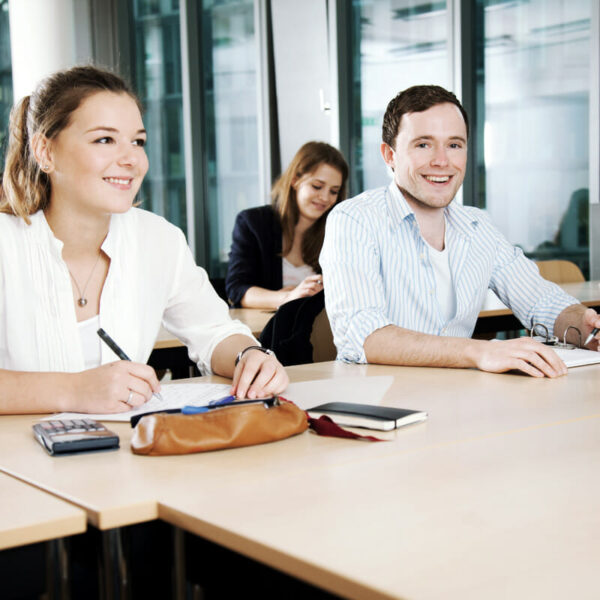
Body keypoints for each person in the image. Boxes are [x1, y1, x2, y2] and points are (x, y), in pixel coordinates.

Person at [0, 65, 288, 414]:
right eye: (104, 139)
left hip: (121, 456)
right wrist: (74, 390)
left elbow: (213, 331)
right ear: (45, 151)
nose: (132, 159)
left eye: (137, 141)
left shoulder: (158, 239)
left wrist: (250, 356)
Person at [320, 85, 600, 378]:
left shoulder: (477, 226)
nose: (442, 161)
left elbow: (540, 300)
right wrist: (479, 351)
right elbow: (363, 336)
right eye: (423, 144)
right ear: (389, 155)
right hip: (381, 404)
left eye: (454, 145)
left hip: (460, 397)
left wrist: (585, 325)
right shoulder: (354, 220)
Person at [225, 141, 348, 309]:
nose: (325, 198)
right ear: (295, 180)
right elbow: (237, 290)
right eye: (317, 186)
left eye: (334, 191)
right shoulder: (253, 223)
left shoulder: (338, 231)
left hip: (320, 331)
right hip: (265, 331)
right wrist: (288, 297)